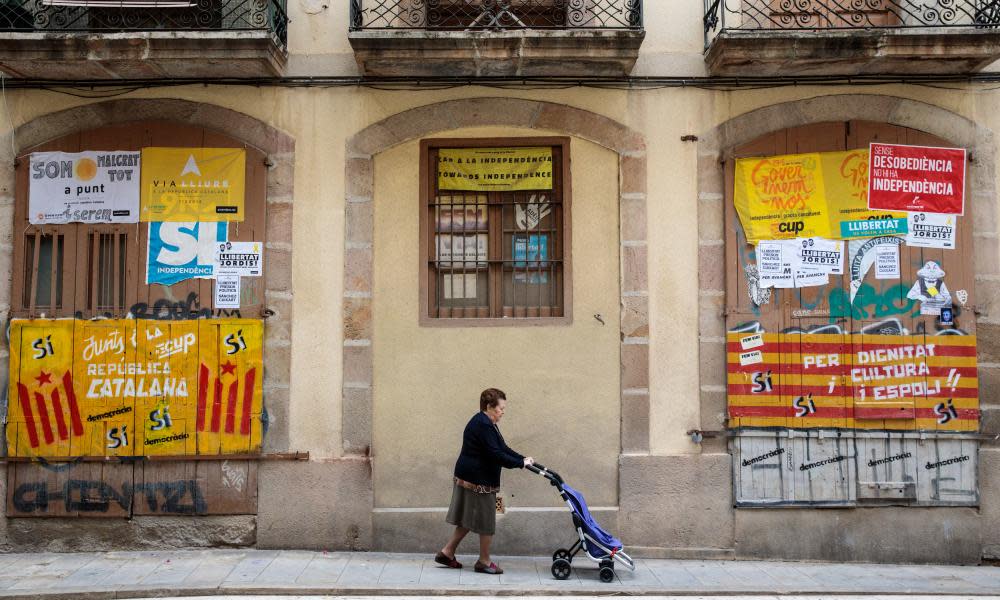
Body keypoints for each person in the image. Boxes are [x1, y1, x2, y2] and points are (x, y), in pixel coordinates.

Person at [435, 388, 533, 574]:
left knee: (467, 518)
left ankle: (447, 552)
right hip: (478, 480)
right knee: (487, 521)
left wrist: (522, 459)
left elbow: (502, 447)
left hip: (472, 476)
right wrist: (520, 463)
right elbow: (495, 454)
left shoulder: (486, 422)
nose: (503, 412)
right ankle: (484, 561)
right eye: (501, 408)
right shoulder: (483, 425)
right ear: (489, 407)